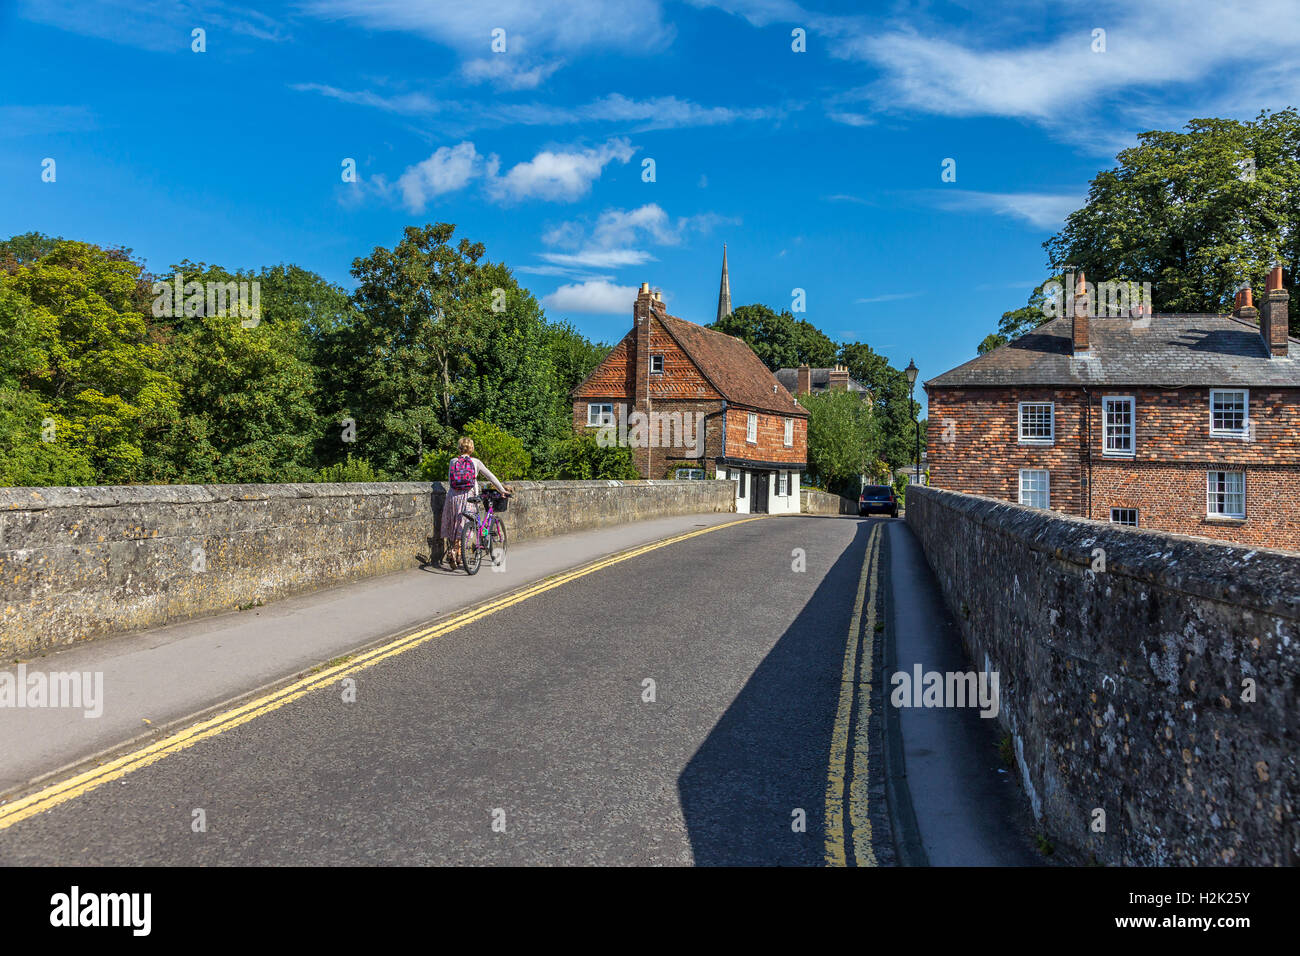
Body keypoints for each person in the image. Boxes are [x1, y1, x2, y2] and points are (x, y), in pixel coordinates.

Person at [441, 436, 509, 568]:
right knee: (466, 523)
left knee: (455, 523)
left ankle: (455, 552)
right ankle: (458, 552)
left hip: (453, 496)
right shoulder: (475, 462)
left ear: (459, 448)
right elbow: (490, 476)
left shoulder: (453, 461)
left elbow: (450, 481)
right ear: (471, 448)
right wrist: (502, 490)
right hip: (469, 495)